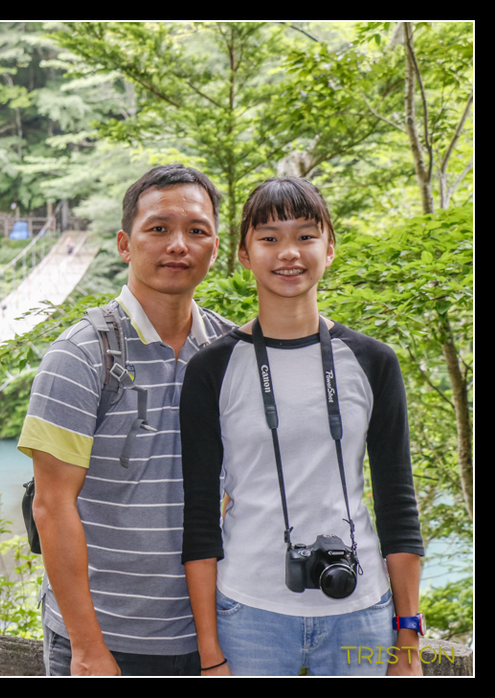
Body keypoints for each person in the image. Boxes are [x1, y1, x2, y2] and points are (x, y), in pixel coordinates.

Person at [180, 177, 425, 676]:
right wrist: (210, 654)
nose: (289, 252)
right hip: (248, 614)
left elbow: (398, 504)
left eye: (306, 236)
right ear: (244, 254)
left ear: (329, 249)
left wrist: (409, 640)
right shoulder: (213, 368)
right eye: (269, 238)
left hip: (360, 612)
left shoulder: (373, 361)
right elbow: (200, 519)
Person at [17, 164, 235, 676]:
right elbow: (51, 506)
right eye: (158, 228)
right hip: (105, 639)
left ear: (215, 249)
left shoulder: (232, 353)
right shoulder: (82, 354)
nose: (177, 245)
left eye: (196, 230)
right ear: (124, 244)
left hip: (213, 636)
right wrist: (87, 647)